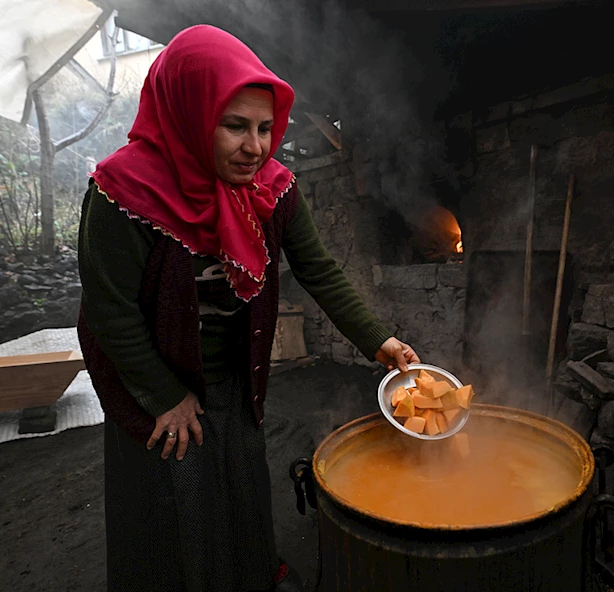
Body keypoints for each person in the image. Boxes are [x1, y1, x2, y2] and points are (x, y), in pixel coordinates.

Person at [77, 24, 419, 592]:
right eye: (234, 126)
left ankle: (253, 576)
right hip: (153, 378)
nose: (255, 147)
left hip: (236, 376)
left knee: (242, 483)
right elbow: (110, 311)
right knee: (176, 497)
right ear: (189, 113)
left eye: (265, 128)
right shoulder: (122, 193)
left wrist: (378, 340)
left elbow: (320, 270)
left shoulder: (271, 188)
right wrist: (164, 397)